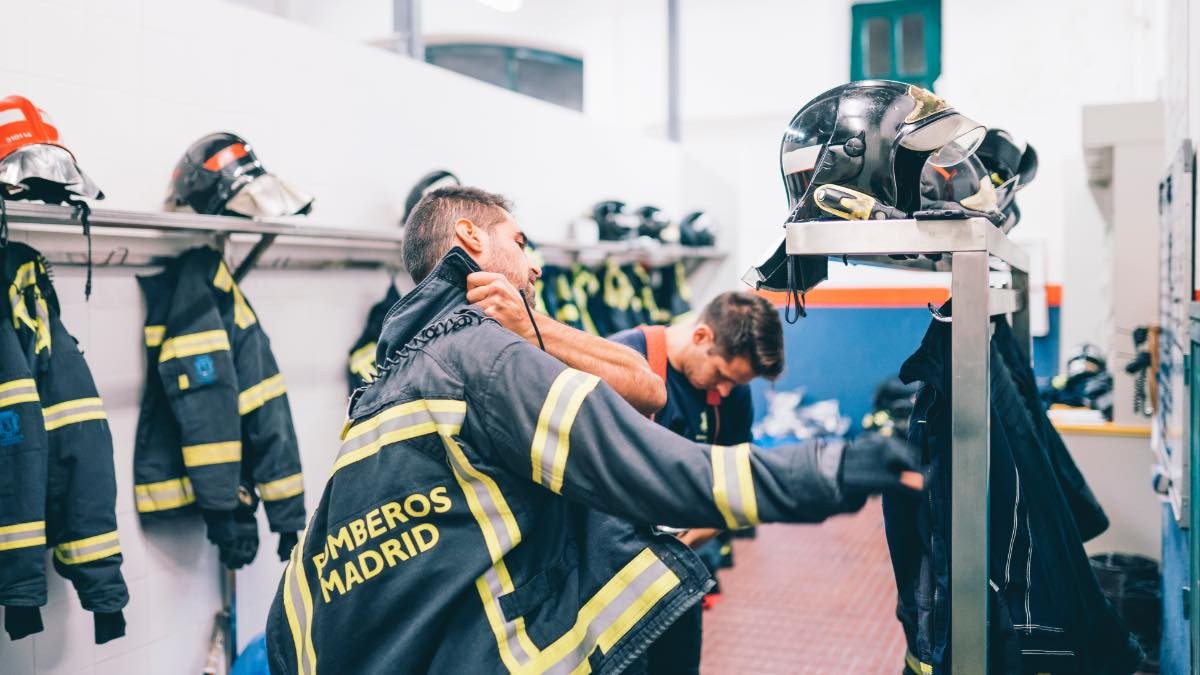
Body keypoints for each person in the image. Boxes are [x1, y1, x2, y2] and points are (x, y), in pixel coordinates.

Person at [265, 186, 923, 674]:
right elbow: (666, 470)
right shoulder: (484, 359)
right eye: (521, 244)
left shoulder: (387, 381)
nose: (537, 266)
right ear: (470, 239)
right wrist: (832, 467)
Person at [609, 291, 784, 675]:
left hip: (682, 570)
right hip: (611, 582)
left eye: (734, 383)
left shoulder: (734, 393)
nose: (722, 390)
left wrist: (689, 541)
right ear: (702, 336)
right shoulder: (621, 362)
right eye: (720, 375)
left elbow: (737, 486)